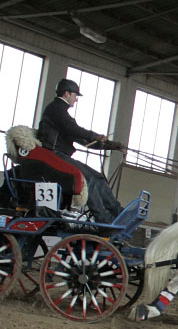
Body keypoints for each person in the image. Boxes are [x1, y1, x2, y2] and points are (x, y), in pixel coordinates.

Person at [36, 78, 124, 222]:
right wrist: (94, 135)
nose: (76, 99)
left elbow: (80, 139)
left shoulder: (59, 112)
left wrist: (109, 145)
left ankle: (117, 212)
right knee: (89, 177)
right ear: (67, 93)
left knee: (97, 177)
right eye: (75, 95)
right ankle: (105, 217)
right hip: (54, 155)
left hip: (58, 155)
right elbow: (73, 129)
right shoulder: (56, 109)